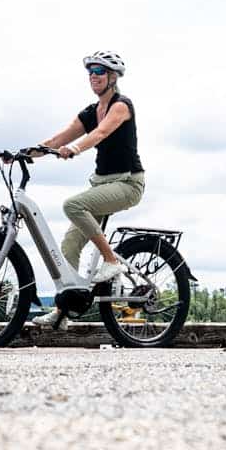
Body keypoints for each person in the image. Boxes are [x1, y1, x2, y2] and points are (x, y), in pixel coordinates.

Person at [32, 50, 145, 330]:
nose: (93, 77)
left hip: (127, 183)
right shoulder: (89, 111)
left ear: (113, 77)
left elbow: (100, 134)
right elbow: (58, 138)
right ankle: (62, 312)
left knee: (73, 205)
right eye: (90, 72)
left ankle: (110, 260)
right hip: (101, 183)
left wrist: (75, 148)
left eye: (100, 72)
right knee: (68, 246)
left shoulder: (121, 106)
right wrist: (24, 153)